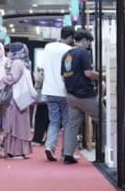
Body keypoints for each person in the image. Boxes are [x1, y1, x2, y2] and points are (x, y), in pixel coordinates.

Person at [61, 29, 104, 164]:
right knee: (104, 119)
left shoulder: (67, 54)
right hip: (85, 95)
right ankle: (103, 151)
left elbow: (63, 76)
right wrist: (104, 76)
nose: (89, 45)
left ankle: (68, 155)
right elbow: (88, 73)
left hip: (71, 96)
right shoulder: (83, 53)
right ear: (84, 40)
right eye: (89, 42)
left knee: (72, 124)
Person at [41, 26, 74, 161]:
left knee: (54, 121)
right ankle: (66, 152)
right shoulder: (70, 50)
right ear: (71, 37)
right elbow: (69, 71)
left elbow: (42, 68)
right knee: (67, 122)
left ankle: (49, 146)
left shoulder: (48, 47)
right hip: (64, 91)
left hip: (49, 90)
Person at [1, 42, 36, 159]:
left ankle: (15, 151)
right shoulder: (24, 63)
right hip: (22, 98)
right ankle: (20, 150)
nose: (8, 53)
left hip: (16, 99)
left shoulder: (16, 63)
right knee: (21, 124)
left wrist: (3, 78)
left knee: (15, 124)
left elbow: (13, 78)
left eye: (10, 51)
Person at [31, 67, 49, 146]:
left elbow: (39, 82)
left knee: (40, 117)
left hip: (44, 96)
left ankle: (37, 139)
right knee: (50, 119)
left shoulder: (43, 67)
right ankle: (49, 139)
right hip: (53, 94)